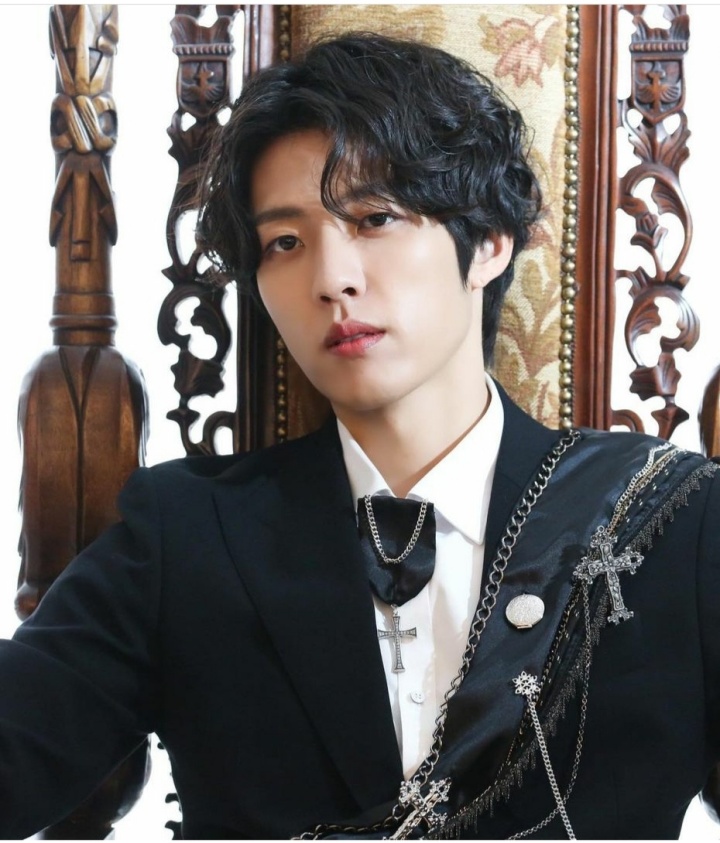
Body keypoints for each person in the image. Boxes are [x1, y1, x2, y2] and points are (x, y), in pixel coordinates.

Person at [1, 31, 719, 840]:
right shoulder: (184, 535)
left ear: (489, 241)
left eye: (375, 218)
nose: (330, 278)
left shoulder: (676, 524)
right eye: (284, 242)